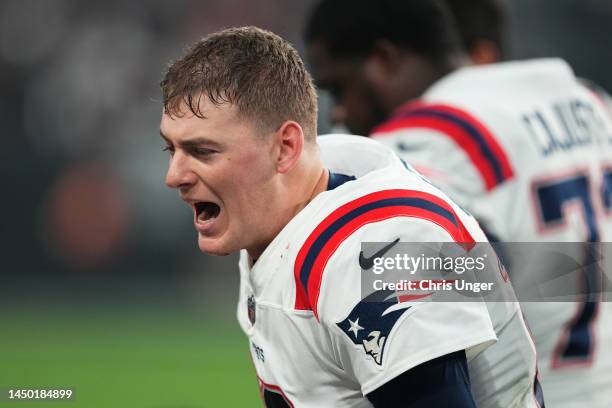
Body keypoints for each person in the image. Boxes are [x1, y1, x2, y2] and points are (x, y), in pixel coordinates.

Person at [160, 26, 539, 407]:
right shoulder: (277, 215)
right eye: (171, 148)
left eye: (203, 151)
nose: (174, 176)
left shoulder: (377, 254)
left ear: (285, 148)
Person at [305, 0, 612, 407]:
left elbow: (428, 288)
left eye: (340, 88)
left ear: (385, 58)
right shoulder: (589, 101)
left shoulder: (428, 136)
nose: (340, 112)